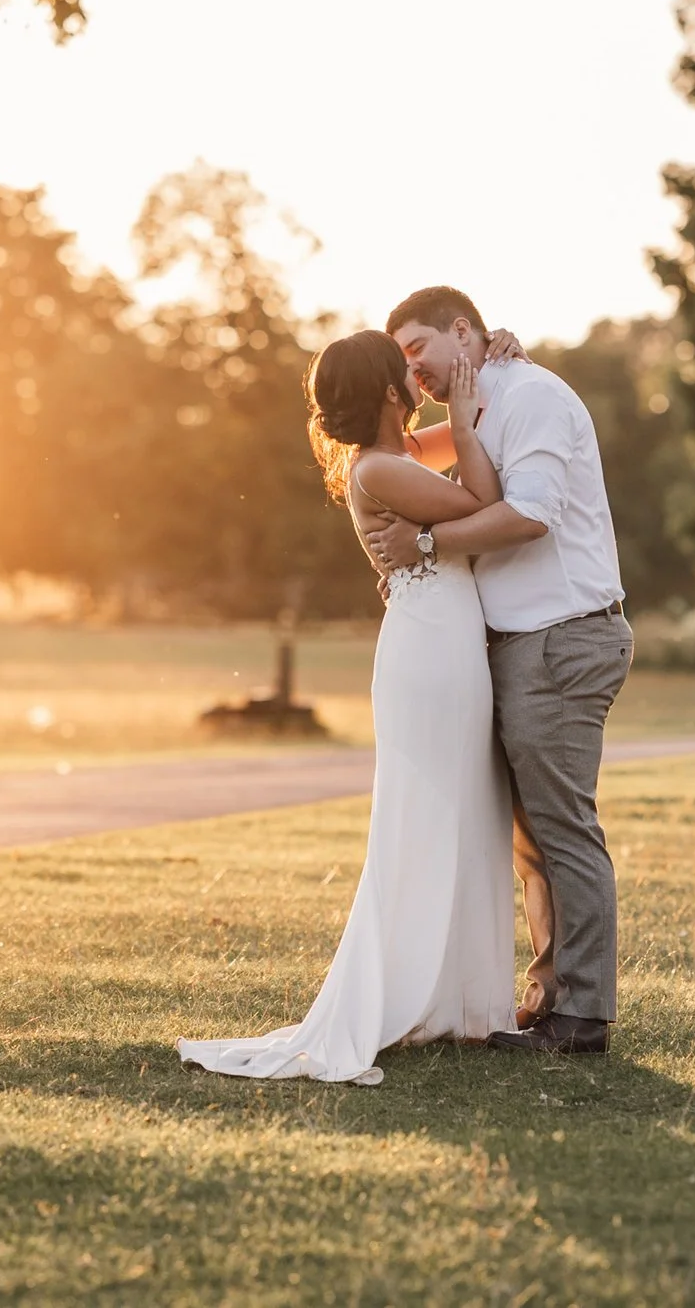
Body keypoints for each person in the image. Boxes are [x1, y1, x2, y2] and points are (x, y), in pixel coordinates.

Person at [176, 329, 518, 1084]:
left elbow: (473, 423)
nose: (417, 373)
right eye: (406, 369)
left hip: (445, 644)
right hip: (430, 655)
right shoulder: (380, 470)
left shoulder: (398, 457)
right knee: (429, 815)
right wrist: (464, 425)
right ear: (390, 390)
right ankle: (419, 993)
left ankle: (459, 1001)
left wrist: (493, 362)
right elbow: (484, 503)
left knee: (465, 808)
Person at [365, 286, 630, 1057]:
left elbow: (532, 514)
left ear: (462, 330)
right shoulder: (477, 406)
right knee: (533, 837)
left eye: (418, 349)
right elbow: (404, 462)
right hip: (520, 643)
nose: (412, 370)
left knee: (561, 827)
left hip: (562, 635)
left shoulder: (532, 397)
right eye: (402, 360)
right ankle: (552, 999)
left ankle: (583, 1015)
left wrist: (423, 546)